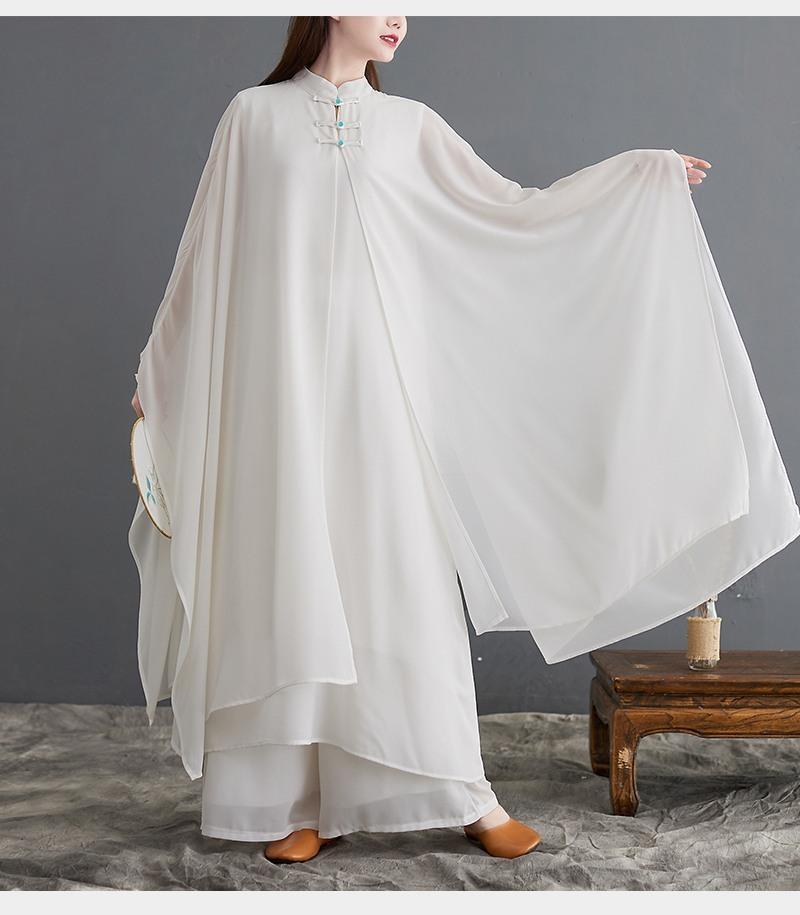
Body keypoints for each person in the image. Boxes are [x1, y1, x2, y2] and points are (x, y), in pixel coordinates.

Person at [128, 16, 800, 864]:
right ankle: (311, 802)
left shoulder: (411, 129)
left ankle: (463, 792)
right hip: (284, 404)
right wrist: (159, 371)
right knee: (298, 580)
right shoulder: (252, 120)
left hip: (384, 399)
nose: (400, 17)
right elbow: (204, 257)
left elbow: (515, 213)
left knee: (400, 582)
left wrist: (639, 180)